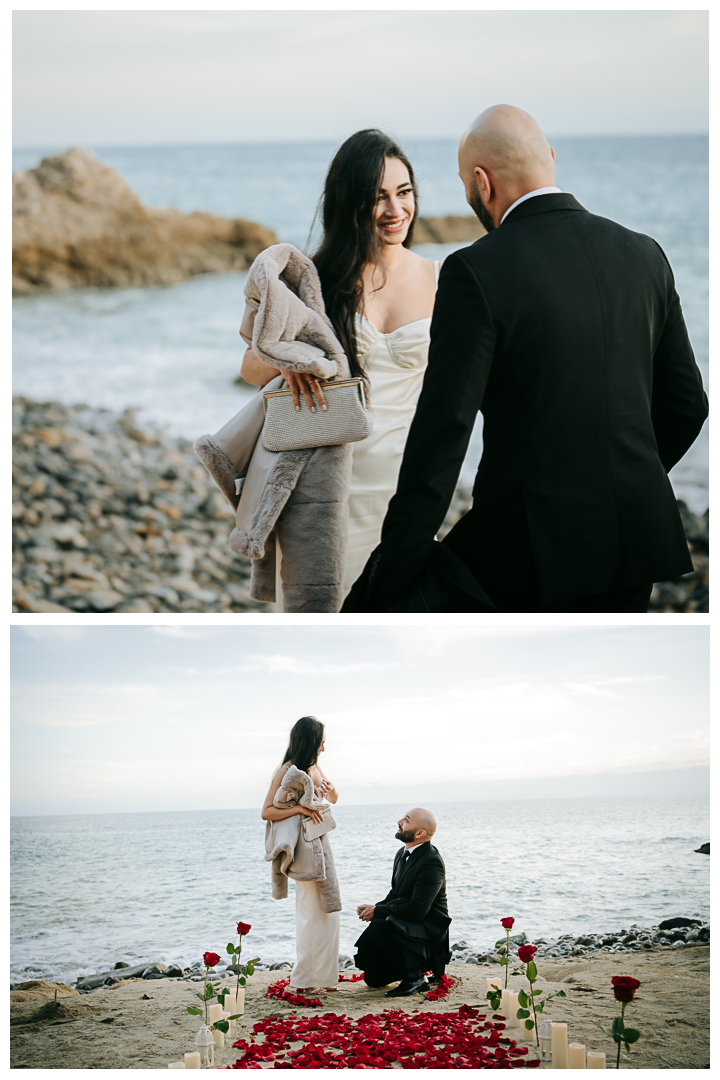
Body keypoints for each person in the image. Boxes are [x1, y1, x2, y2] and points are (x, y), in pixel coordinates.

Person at [343, 105, 709, 614]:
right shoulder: (645, 254)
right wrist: (618, 485)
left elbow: (443, 438)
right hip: (630, 540)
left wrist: (386, 580)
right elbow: (688, 405)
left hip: (527, 552)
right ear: (550, 159)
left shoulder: (476, 270)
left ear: (481, 183)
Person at [240, 129, 440, 599]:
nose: (396, 211)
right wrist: (290, 359)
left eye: (404, 192)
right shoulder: (316, 279)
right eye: (378, 198)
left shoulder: (443, 278)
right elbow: (250, 366)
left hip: (405, 494)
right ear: (350, 203)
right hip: (325, 495)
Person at [262, 716, 340, 992]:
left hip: (321, 844)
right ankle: (305, 981)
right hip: (304, 849)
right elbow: (266, 811)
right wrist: (300, 809)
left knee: (328, 913)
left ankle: (326, 977)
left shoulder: (315, 767)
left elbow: (333, 799)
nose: (323, 749)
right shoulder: (286, 771)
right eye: (320, 743)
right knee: (309, 913)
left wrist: (331, 792)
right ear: (309, 741)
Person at [354, 808, 451, 997]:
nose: (399, 821)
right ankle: (410, 969)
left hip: (428, 926)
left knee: (379, 926)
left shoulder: (431, 862)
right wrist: (373, 907)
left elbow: (417, 911)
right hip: (407, 920)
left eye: (406, 820)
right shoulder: (402, 853)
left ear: (420, 833)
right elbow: (396, 893)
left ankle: (415, 978)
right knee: (372, 979)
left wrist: (379, 912)